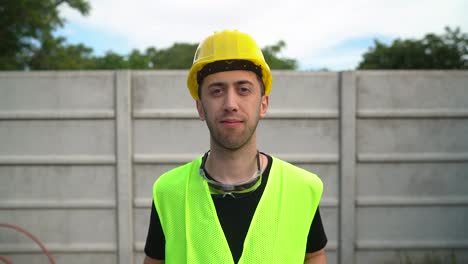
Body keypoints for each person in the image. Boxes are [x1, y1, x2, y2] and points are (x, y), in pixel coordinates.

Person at [143, 29, 327, 264]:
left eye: (243, 90)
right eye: (217, 91)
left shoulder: (302, 188)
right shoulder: (169, 191)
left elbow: (314, 255)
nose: (231, 104)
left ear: (263, 104)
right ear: (200, 107)